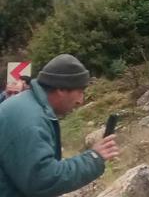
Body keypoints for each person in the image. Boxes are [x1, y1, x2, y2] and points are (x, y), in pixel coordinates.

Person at [0, 54, 120, 196]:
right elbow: (42, 180)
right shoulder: (30, 121)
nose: (80, 101)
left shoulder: (28, 105)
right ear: (61, 89)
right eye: (80, 92)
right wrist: (93, 158)